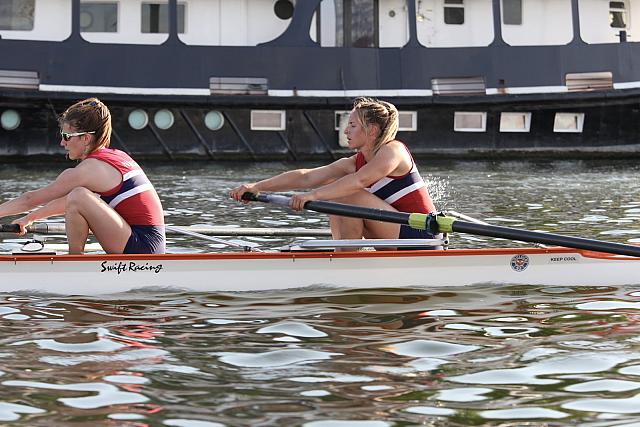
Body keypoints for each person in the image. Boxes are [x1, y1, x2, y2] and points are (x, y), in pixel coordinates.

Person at [230, 97, 438, 247]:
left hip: (422, 235)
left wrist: (313, 196)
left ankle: (345, 261)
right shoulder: (353, 162)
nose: (345, 131)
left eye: (352, 125)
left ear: (372, 130)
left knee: (345, 191)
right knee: (336, 192)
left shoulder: (394, 151)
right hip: (398, 234)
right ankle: (343, 253)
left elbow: (359, 181)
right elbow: (307, 176)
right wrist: (257, 186)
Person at [0, 97, 165, 254]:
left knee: (78, 195)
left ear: (86, 138)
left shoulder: (87, 170)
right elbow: (68, 202)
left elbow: (30, 200)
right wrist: (29, 218)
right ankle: (76, 260)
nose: (62, 142)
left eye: (66, 136)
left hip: (142, 246)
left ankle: (75, 263)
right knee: (77, 196)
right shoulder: (116, 156)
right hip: (149, 243)